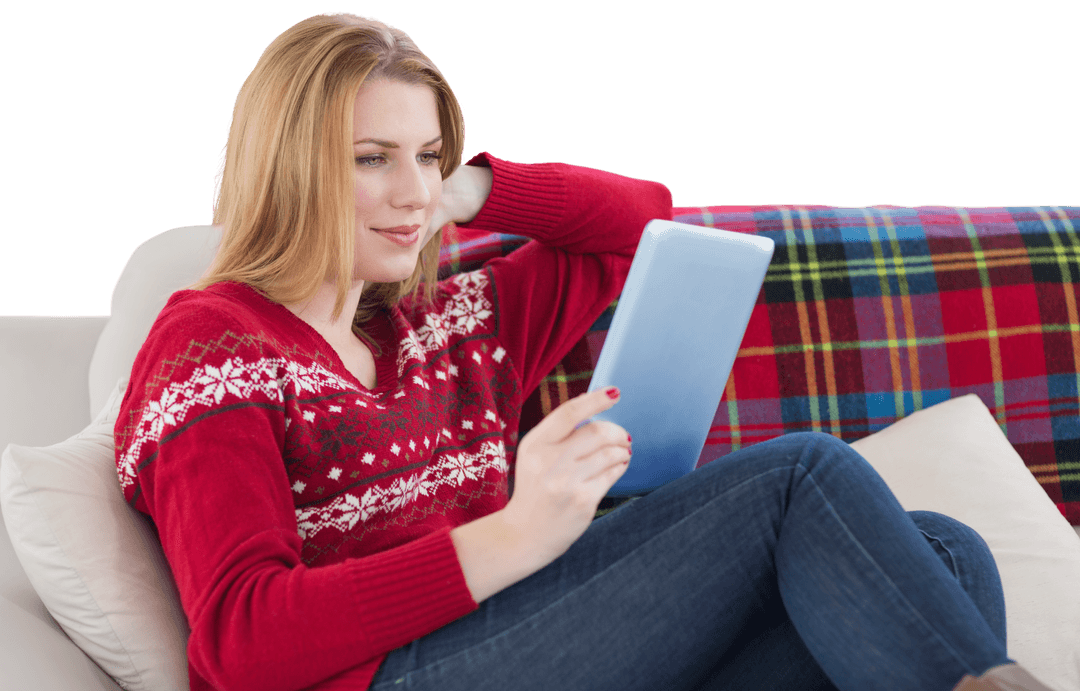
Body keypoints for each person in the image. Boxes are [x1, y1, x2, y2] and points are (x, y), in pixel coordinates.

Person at [112, 12, 1053, 691]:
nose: (412, 192)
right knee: (800, 474)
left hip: (531, 641)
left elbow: (634, 221)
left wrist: (473, 192)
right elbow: (239, 640)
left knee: (943, 553)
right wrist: (520, 532)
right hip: (394, 675)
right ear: (290, 162)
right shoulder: (211, 339)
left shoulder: (442, 325)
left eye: (429, 154)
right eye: (371, 158)